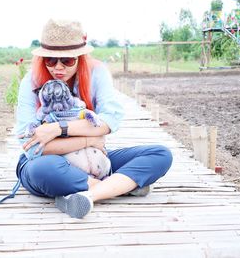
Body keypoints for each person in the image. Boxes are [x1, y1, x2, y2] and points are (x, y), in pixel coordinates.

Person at [15, 19, 173, 219]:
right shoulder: (31, 81)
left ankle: (89, 195)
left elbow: (110, 120)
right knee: (42, 170)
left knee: (161, 154)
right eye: (50, 60)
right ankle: (118, 188)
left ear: (80, 57)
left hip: (92, 158)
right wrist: (90, 139)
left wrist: (57, 129)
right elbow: (31, 147)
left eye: (67, 60)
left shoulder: (96, 72)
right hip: (52, 162)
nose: (58, 67)